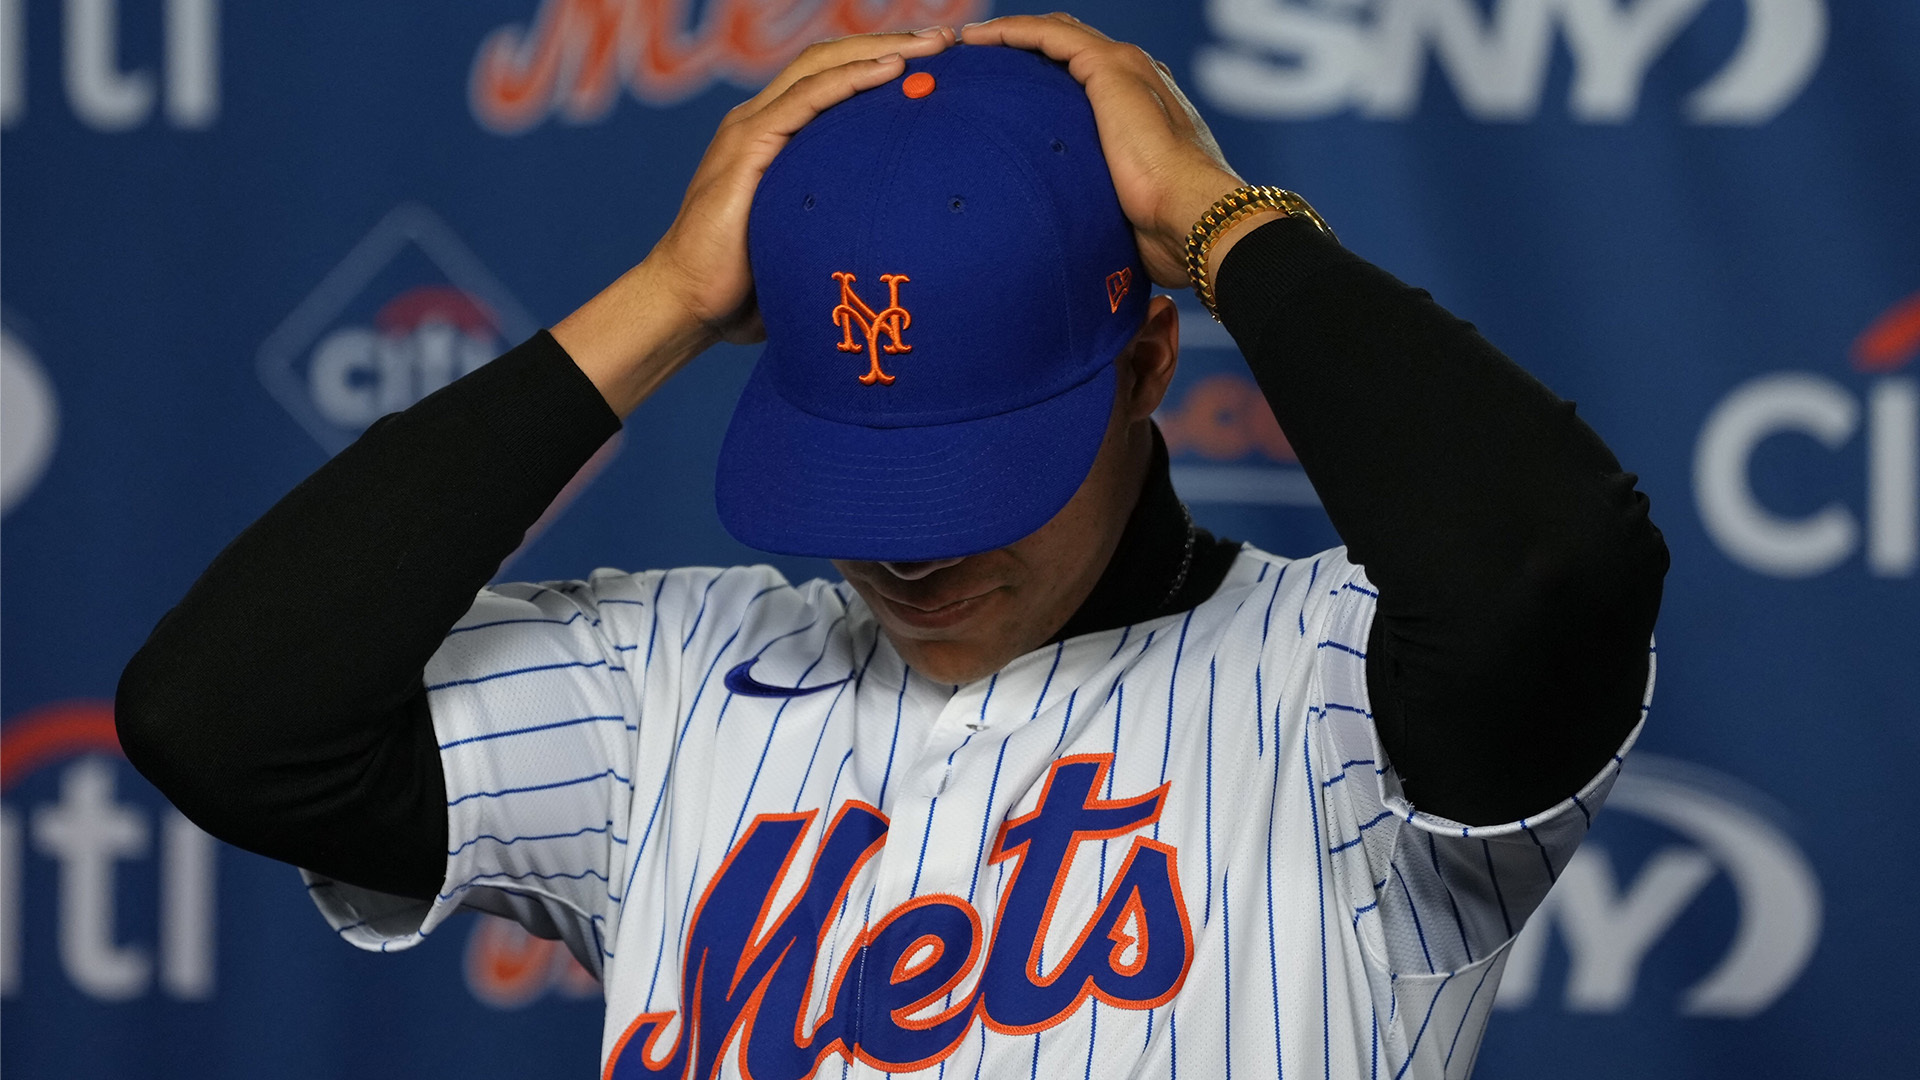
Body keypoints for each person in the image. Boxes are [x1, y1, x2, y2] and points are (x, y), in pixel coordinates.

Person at [116, 15, 1666, 1080]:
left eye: (976, 475)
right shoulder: (666, 683)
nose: (911, 555)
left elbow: (1549, 564)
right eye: (865, 476)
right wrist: (661, 299)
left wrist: (1217, 217)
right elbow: (224, 717)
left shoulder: (1342, 688)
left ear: (1141, 370)